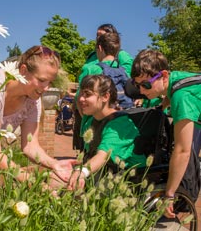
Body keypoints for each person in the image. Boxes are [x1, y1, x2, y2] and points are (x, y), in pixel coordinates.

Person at [0, 45, 77, 184]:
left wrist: (54, 163)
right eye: (42, 80)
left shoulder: (33, 98)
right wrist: (32, 182)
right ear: (23, 70)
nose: (46, 88)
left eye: (50, 82)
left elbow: (31, 146)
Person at [131, 49, 201, 218]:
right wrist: (162, 105)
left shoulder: (182, 97)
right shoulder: (173, 78)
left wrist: (169, 195)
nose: (141, 90)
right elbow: (170, 91)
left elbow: (182, 151)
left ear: (163, 75)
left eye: (146, 85)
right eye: (137, 84)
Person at [68, 74, 146, 190]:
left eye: (87, 94)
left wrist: (82, 172)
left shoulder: (119, 125)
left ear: (105, 96)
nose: (81, 98)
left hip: (125, 180)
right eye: (81, 93)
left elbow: (102, 156)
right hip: (102, 173)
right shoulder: (90, 120)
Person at [73, 24, 134, 151]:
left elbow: (80, 98)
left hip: (93, 121)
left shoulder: (91, 68)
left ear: (100, 47)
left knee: (90, 157)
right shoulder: (122, 70)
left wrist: (85, 118)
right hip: (116, 119)